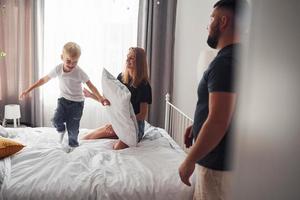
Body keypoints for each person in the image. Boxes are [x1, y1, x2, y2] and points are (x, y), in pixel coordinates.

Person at [178, 0, 248, 199]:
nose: (207, 25)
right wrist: (197, 126)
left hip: (216, 166)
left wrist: (189, 160)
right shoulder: (238, 57)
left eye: (211, 18)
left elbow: (219, 120)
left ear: (223, 21)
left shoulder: (224, 63)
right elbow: (229, 110)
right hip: (226, 161)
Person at [20, 42, 110, 152]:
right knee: (56, 120)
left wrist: (100, 98)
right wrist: (27, 90)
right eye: (68, 61)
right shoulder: (58, 69)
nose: (71, 64)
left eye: (75, 62)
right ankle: (61, 130)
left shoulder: (79, 72)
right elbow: (43, 80)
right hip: (63, 101)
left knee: (73, 128)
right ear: (62, 57)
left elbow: (91, 86)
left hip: (77, 104)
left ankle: (73, 146)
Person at [82, 47, 152, 150]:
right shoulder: (121, 78)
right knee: (87, 137)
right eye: (127, 57)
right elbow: (110, 102)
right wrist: (91, 95)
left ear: (139, 62)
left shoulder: (144, 86)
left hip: (134, 128)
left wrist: (120, 124)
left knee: (117, 148)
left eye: (132, 58)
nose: (127, 60)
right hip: (120, 123)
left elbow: (142, 115)